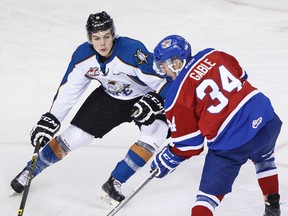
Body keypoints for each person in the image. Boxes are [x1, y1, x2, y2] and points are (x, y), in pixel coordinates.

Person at [10, 11, 172, 206]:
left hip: (143, 99)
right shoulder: (83, 57)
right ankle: (30, 171)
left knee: (157, 133)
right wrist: (52, 118)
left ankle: (115, 181)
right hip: (109, 97)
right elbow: (70, 88)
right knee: (75, 137)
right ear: (89, 39)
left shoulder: (132, 50)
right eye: (96, 38)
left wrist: (156, 99)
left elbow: (165, 80)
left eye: (106, 36)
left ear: (113, 35)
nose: (102, 44)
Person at [149, 35, 282, 216]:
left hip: (233, 141)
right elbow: (242, 76)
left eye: (164, 67)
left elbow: (191, 145)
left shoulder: (176, 96)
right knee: (264, 159)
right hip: (266, 119)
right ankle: (273, 205)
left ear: (176, 63)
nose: (164, 73)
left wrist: (171, 156)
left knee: (206, 198)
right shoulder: (212, 54)